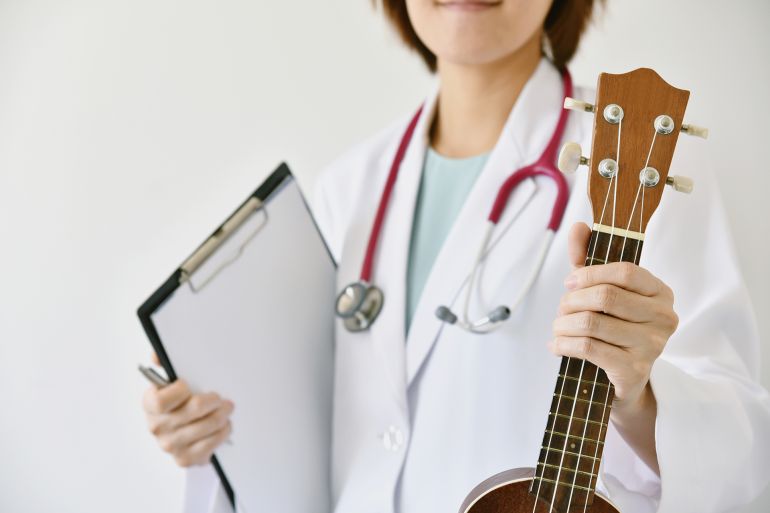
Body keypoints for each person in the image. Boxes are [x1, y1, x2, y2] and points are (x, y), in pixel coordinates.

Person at [141, 1, 770, 512]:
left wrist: (641, 394)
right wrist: (209, 435)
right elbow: (304, 444)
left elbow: (742, 460)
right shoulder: (346, 190)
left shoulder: (642, 162)